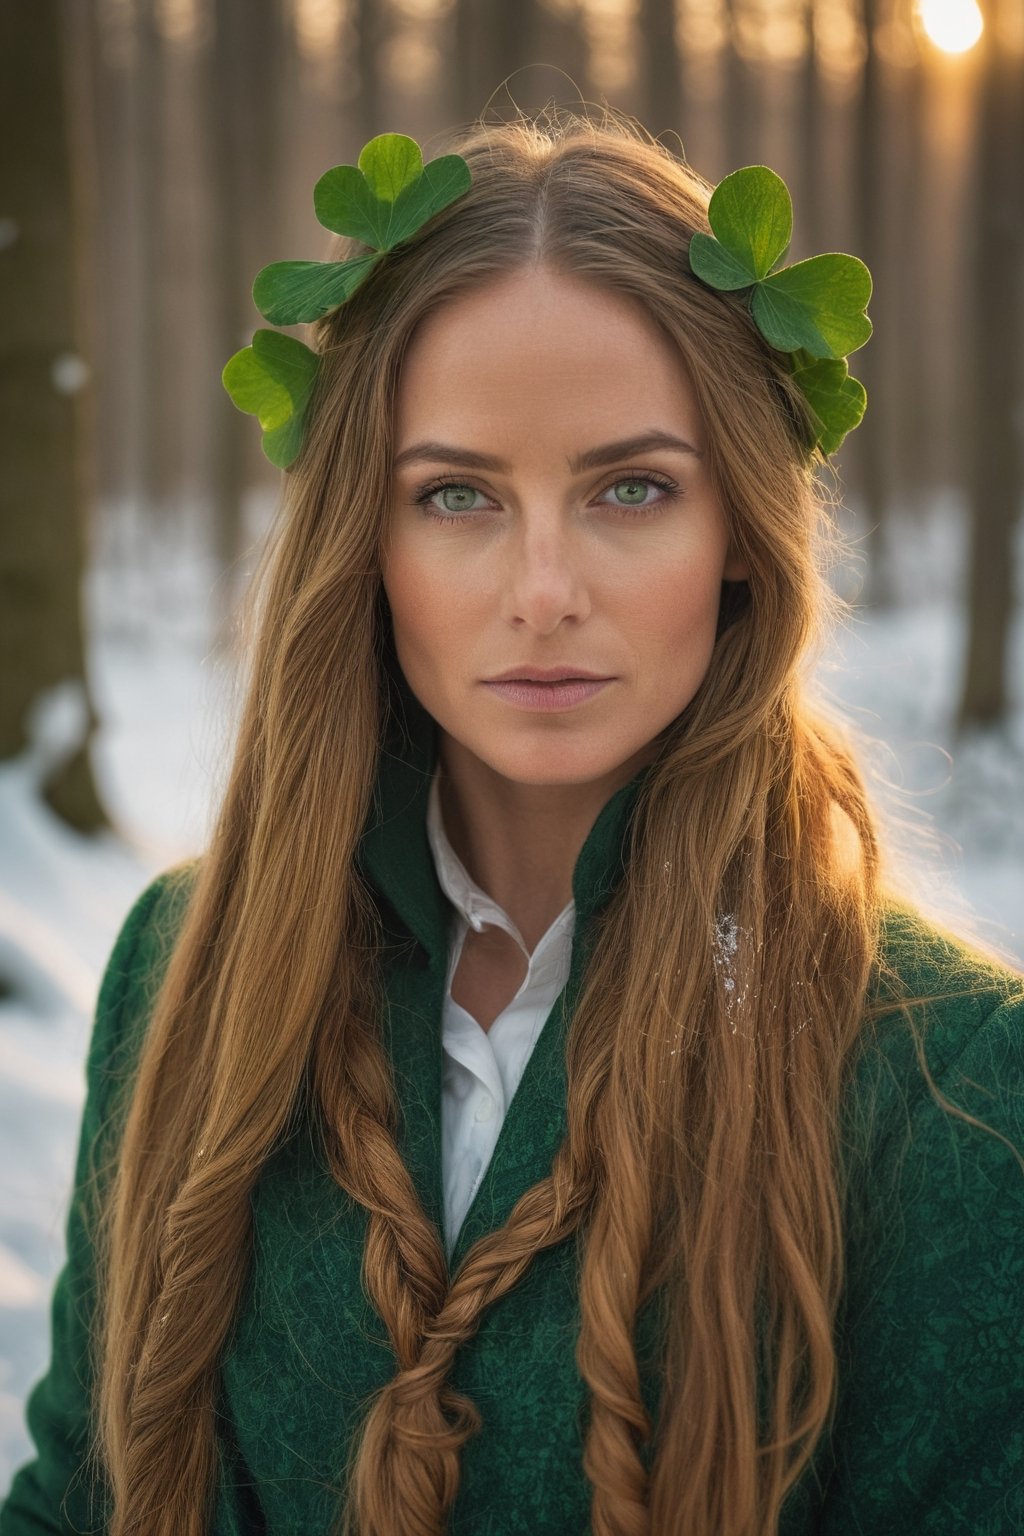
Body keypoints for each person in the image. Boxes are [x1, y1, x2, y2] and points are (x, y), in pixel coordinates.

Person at [2, 106, 1022, 1536]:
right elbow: (79, 1500)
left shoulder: (954, 1092)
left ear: (740, 531)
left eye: (630, 488)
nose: (544, 587)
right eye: (459, 494)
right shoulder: (185, 977)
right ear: (368, 537)